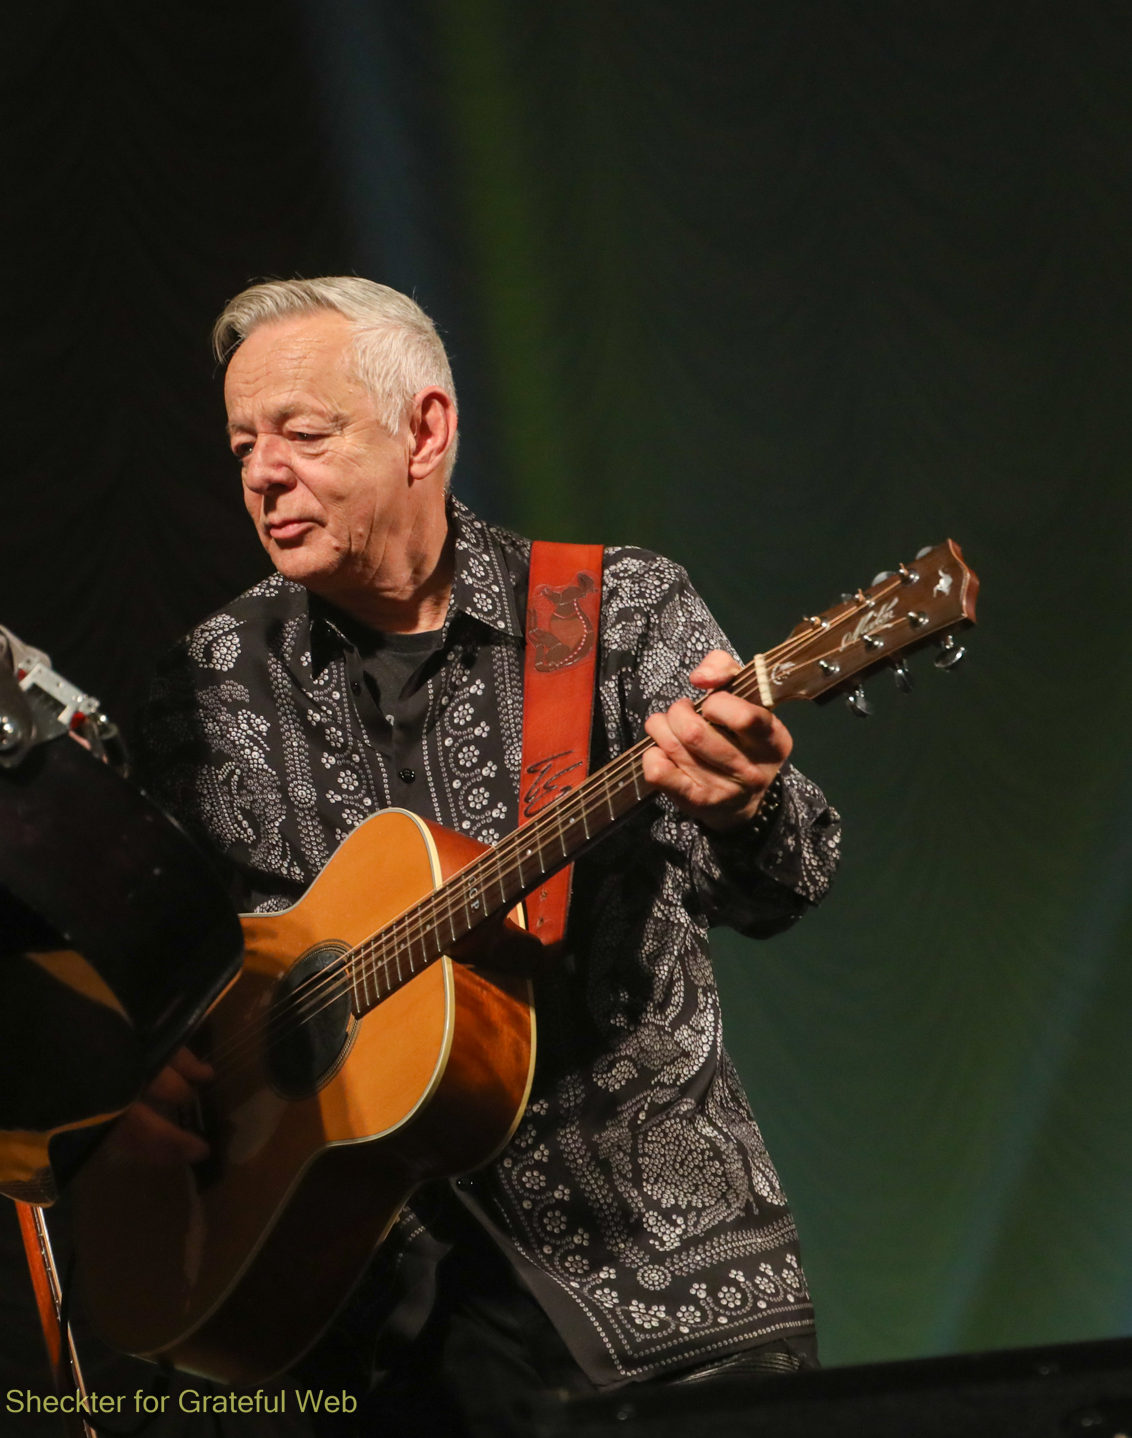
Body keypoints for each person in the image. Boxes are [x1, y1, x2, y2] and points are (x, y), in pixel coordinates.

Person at [136, 277, 841, 1434]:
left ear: (424, 429)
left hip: (663, 1292)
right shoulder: (207, 684)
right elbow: (155, 949)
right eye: (242, 444)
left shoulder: (615, 608)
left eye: (303, 435)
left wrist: (741, 802)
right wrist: (149, 1058)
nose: (263, 473)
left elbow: (787, 879)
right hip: (347, 1321)